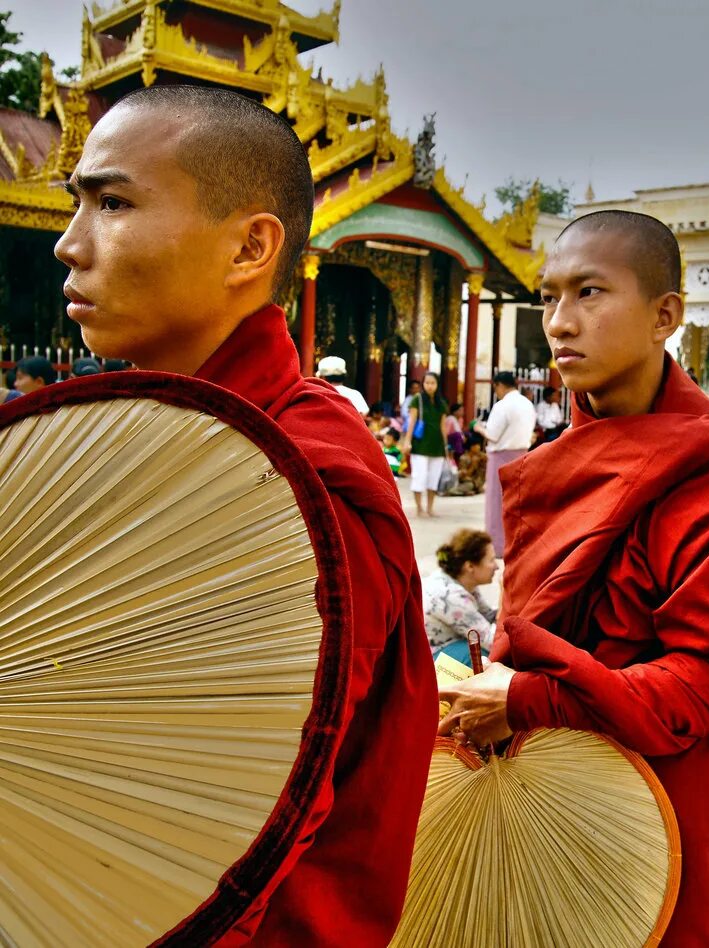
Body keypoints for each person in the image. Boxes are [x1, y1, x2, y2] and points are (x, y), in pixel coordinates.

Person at [53, 84, 433, 943]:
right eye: (77, 205)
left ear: (250, 248)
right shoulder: (118, 435)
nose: (69, 245)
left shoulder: (305, 471)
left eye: (112, 203)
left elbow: (243, 804)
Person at [438, 210, 709, 947]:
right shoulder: (562, 458)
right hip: (537, 784)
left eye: (589, 294)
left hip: (663, 804)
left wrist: (524, 697)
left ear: (665, 316)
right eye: (549, 297)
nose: (558, 323)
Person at [474, 370, 535, 556]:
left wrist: (477, 427)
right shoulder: (527, 404)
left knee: (496, 502)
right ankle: (516, 543)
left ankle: (497, 545)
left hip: (501, 456)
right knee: (516, 502)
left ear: (499, 385)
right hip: (522, 455)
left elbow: (493, 435)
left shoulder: (503, 406)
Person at [424, 528, 498, 662]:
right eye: (491, 560)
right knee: (484, 657)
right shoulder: (451, 597)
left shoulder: (463, 582)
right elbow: (493, 641)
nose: (497, 566)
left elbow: (488, 616)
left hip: (443, 647)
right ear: (469, 566)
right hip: (430, 659)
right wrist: (505, 593)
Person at [401, 371, 449, 518]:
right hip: (420, 445)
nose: (429, 386)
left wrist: (446, 447)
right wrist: (407, 441)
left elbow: (443, 426)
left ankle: (430, 507)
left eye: (432, 383)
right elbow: (412, 422)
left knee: (433, 479)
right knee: (419, 477)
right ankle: (419, 508)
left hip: (437, 445)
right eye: (427, 383)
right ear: (423, 384)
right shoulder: (418, 399)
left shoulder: (441, 403)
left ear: (437, 385)